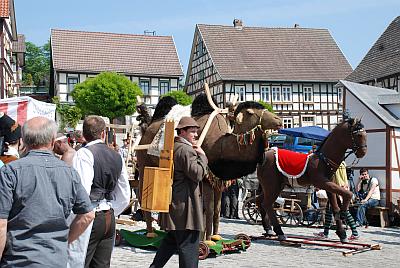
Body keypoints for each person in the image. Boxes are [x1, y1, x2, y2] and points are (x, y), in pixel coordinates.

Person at [0, 116, 95, 267]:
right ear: (52, 142)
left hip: (19, 260)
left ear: (23, 141)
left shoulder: (10, 172)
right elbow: (88, 215)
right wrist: (64, 241)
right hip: (54, 259)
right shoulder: (69, 172)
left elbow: (1, 224)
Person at [69, 115, 130, 268]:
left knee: (79, 262)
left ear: (84, 134)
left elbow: (81, 191)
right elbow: (124, 194)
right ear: (103, 133)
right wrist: (111, 210)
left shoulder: (84, 154)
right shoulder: (117, 156)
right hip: (108, 216)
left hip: (90, 215)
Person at [150, 116, 208, 268]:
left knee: (170, 242)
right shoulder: (186, 150)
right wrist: (203, 156)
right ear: (182, 132)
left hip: (176, 206)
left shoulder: (172, 146)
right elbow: (197, 174)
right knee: (189, 249)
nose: (196, 135)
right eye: (192, 132)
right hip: (186, 208)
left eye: (196, 132)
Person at [314, 162, 359, 240]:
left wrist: (336, 188)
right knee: (329, 210)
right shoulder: (342, 163)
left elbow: (336, 178)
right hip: (340, 188)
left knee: (344, 211)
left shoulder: (335, 164)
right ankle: (325, 232)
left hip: (338, 189)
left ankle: (355, 233)